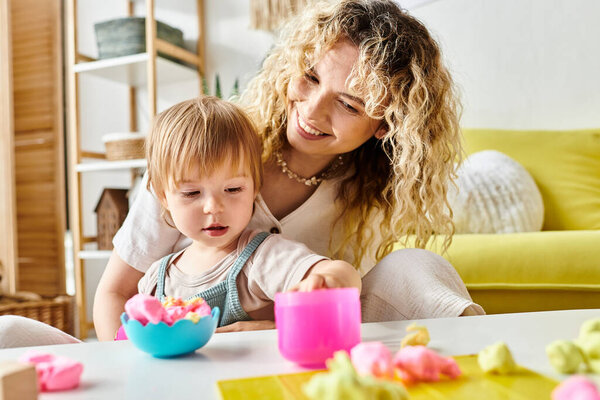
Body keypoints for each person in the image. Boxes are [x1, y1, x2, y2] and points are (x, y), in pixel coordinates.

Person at [0, 0, 483, 347]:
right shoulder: (205, 146)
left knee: (415, 267)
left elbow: (333, 301)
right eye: (311, 78)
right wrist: (132, 367)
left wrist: (270, 335)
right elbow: (115, 292)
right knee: (8, 332)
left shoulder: (362, 193)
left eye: (349, 104)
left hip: (286, 353)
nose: (312, 111)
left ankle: (473, 363)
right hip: (164, 357)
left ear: (385, 125)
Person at [137, 96, 360, 327]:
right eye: (192, 193)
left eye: (233, 189)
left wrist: (328, 280)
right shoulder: (155, 280)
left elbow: (341, 272)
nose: (213, 207)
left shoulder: (262, 256)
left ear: (254, 188)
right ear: (163, 196)